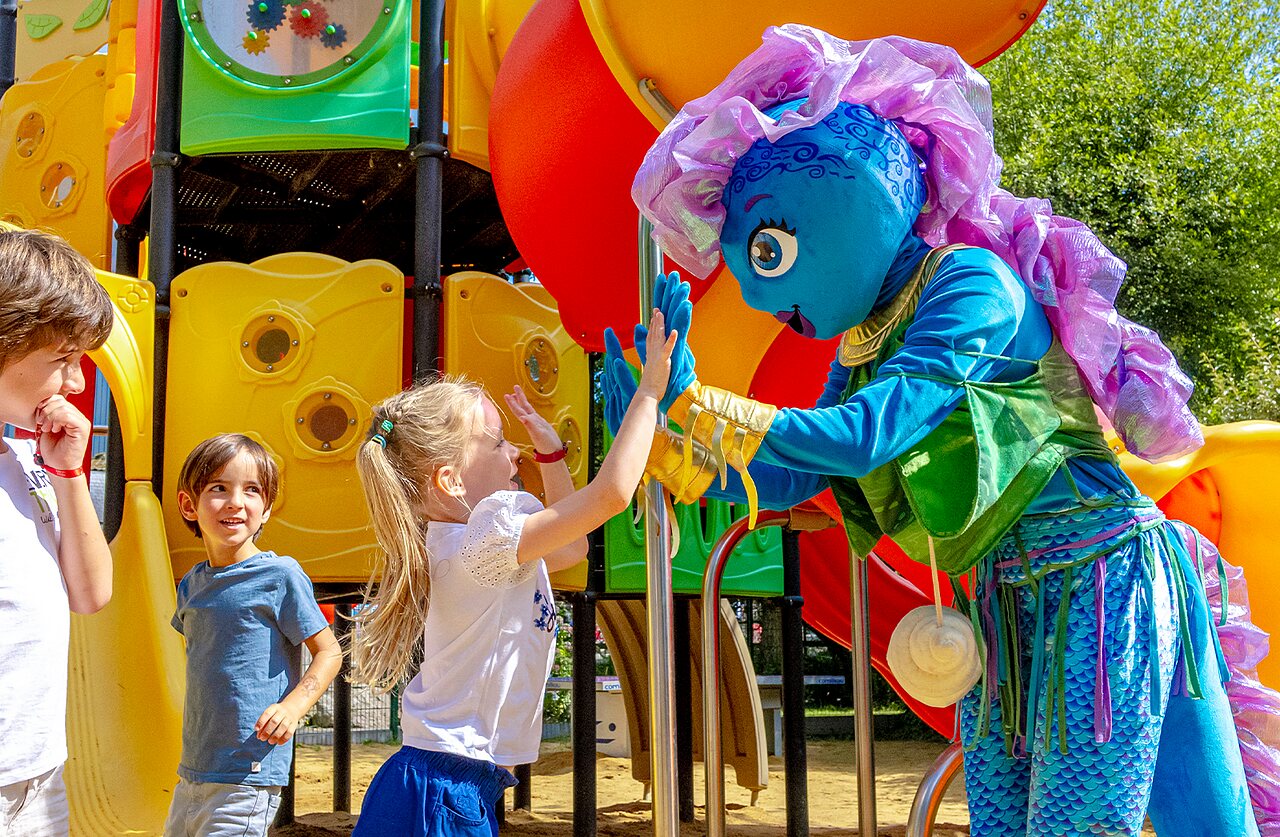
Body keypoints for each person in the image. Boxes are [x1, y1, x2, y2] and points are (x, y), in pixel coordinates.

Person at [605, 26, 1276, 836]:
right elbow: (799, 474)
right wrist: (661, 432)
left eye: (768, 247)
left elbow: (866, 435)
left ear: (855, 202)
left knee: (1085, 825)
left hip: (1098, 585)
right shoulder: (863, 339)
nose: (750, 289)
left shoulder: (970, 282)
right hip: (1000, 605)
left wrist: (706, 407)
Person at [348, 310, 676, 836]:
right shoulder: (483, 542)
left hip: (449, 776)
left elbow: (572, 548)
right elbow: (611, 495)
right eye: (497, 442)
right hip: (442, 784)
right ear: (451, 480)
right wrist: (649, 396)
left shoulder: (471, 542)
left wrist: (552, 454)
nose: (513, 452)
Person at [164, 433, 342, 837]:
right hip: (193, 770)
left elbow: (329, 652)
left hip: (248, 771)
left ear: (265, 510)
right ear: (188, 506)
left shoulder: (279, 575)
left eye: (252, 491)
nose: (235, 502)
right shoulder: (192, 584)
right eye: (218, 488)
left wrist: (294, 708)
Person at [0, 229, 114, 836]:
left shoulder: (24, 463)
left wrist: (69, 474)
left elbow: (91, 593)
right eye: (62, 360)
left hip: (38, 773)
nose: (75, 384)